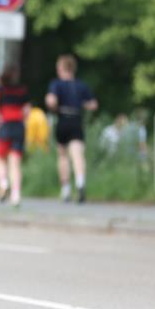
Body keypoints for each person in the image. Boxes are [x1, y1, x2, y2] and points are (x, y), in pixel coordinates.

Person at [46, 54, 97, 203]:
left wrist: (53, 106)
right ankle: (80, 183)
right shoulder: (81, 85)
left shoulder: (56, 84)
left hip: (63, 119)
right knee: (78, 155)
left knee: (63, 156)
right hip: (76, 120)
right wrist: (82, 104)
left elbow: (51, 101)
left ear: (61, 68)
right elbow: (93, 104)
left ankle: (66, 189)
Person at [0, 65, 31, 207]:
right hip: (19, 127)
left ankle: (3, 183)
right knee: (15, 162)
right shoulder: (22, 90)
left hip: (5, 126)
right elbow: (27, 110)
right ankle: (16, 194)